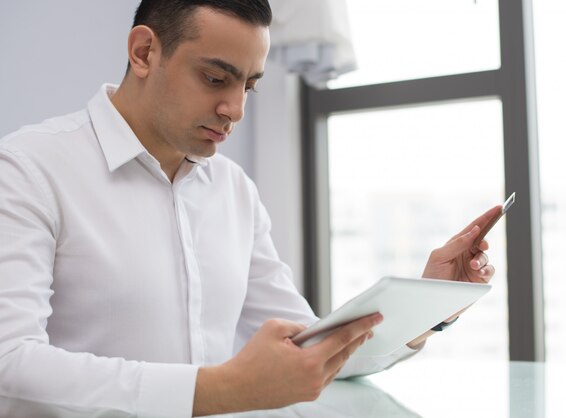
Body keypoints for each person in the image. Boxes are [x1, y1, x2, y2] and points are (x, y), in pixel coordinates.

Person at [0, 1, 498, 417]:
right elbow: (9, 365)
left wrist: (427, 306)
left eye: (250, 86)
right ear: (144, 52)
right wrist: (221, 389)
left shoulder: (233, 190)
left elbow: (312, 349)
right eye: (216, 78)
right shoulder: (27, 169)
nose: (235, 109)